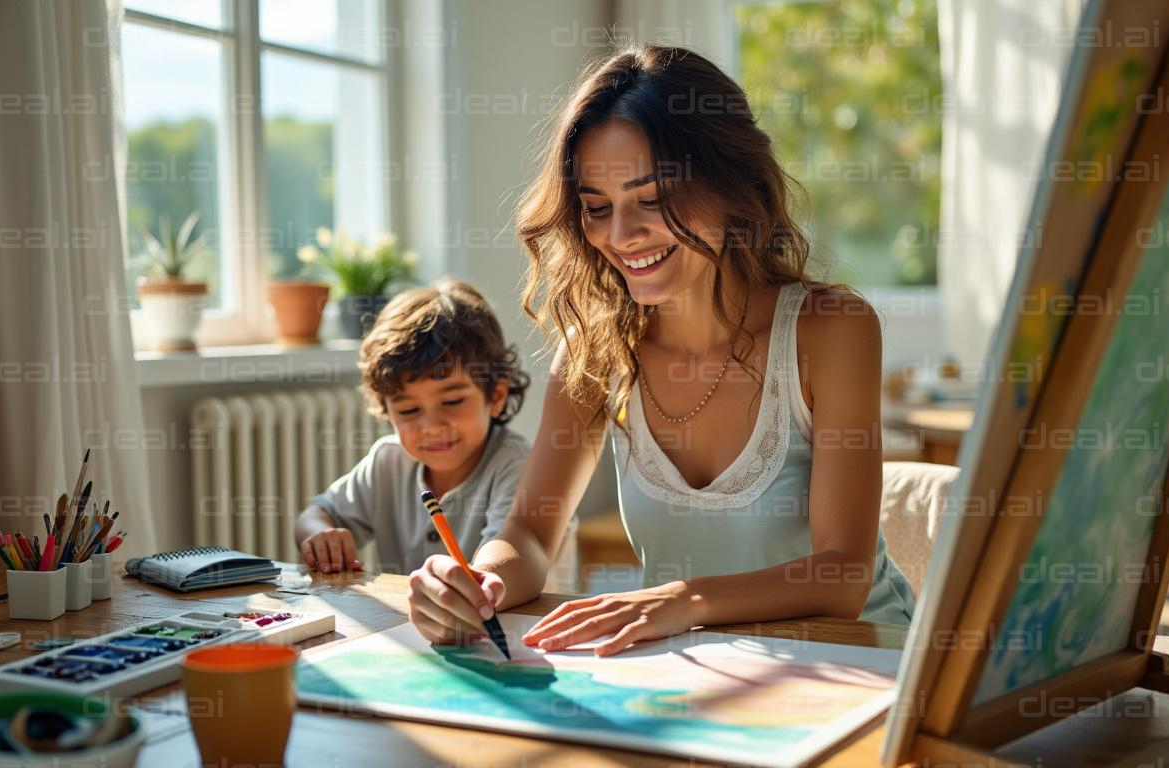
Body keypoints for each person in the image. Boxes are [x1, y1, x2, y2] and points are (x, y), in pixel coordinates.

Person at [406, 45, 916, 656]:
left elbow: (843, 575)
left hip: (861, 664)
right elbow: (532, 533)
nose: (621, 236)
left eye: (652, 200)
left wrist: (683, 600)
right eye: (597, 207)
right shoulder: (596, 353)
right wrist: (480, 578)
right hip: (694, 675)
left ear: (733, 184)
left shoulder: (831, 329)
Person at [294, 279, 542, 577]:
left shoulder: (516, 465)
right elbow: (316, 515)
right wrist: (320, 536)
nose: (431, 426)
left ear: (496, 396)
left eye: (452, 401)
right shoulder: (388, 460)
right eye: (409, 409)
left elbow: (508, 558)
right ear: (387, 411)